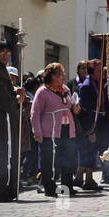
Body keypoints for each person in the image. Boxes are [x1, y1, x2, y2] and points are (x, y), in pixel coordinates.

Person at [31, 63, 81, 197]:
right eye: (61, 73)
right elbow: (35, 113)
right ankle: (49, 188)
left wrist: (75, 108)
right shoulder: (43, 91)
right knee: (49, 160)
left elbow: (70, 104)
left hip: (67, 129)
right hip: (50, 131)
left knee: (68, 159)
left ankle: (67, 187)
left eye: (63, 73)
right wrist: (37, 132)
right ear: (52, 76)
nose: (64, 76)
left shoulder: (65, 89)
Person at [0, 39, 25, 202]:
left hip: (3, 116)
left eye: (8, 52)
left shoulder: (1, 69)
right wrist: (17, 100)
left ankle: (7, 189)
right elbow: (1, 97)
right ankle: (0, 191)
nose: (5, 55)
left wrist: (16, 92)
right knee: (1, 154)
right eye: (2, 51)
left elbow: (6, 91)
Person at [75, 59, 109, 190]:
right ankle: (86, 179)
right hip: (91, 123)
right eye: (98, 71)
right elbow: (86, 111)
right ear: (91, 72)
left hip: (100, 121)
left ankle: (85, 178)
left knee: (92, 151)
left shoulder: (101, 82)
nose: (102, 73)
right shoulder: (87, 86)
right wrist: (91, 130)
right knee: (88, 151)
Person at [21, 77, 41, 187]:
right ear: (35, 87)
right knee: (30, 153)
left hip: (31, 128)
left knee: (32, 153)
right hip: (28, 128)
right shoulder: (28, 96)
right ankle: (23, 175)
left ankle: (30, 174)